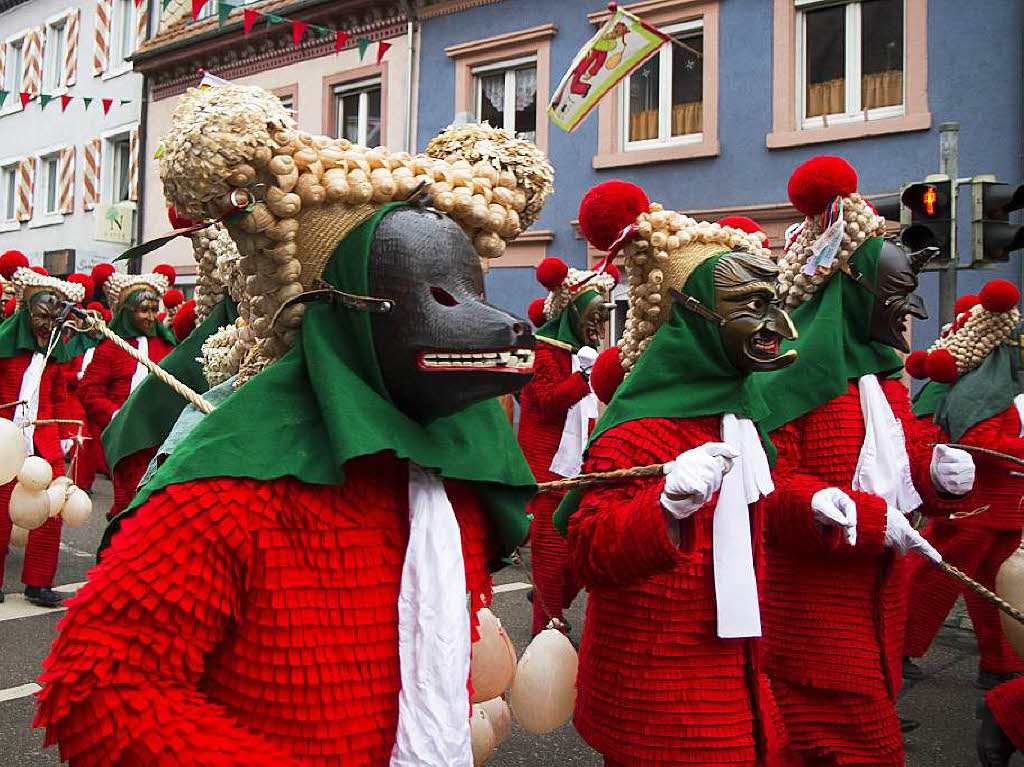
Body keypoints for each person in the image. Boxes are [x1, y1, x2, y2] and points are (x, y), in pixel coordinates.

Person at [36, 83, 553, 766]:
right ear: (344, 320)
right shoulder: (230, 491)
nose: (487, 321)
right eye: (430, 295)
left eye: (470, 293)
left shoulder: (450, 478)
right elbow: (95, 686)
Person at [557, 181, 795, 766]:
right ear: (693, 320)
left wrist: (839, 509)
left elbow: (764, 504)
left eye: (775, 304)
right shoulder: (634, 431)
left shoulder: (739, 419)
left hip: (736, 679)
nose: (779, 327)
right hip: (657, 701)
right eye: (753, 307)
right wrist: (660, 507)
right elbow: (588, 551)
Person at [755, 156, 976, 766]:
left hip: (879, 613)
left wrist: (937, 471)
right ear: (855, 295)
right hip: (815, 624)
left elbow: (904, 454)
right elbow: (768, 492)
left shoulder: (885, 377)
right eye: (896, 296)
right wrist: (836, 510)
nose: (907, 314)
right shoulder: (792, 381)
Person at [902, 282, 1024, 695]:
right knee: (935, 579)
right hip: (976, 510)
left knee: (996, 590)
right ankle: (897, 651)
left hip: (1005, 510)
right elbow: (981, 442)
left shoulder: (1003, 393)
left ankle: (1000, 664)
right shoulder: (985, 393)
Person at [518, 256, 615, 635]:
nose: (597, 327)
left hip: (580, 464)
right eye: (591, 318)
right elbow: (546, 401)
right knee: (550, 549)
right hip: (548, 466)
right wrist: (584, 375)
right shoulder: (544, 352)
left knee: (580, 548)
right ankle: (546, 625)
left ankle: (554, 601)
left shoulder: (579, 354)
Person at [0, 252, 86, 607]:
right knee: (1, 511)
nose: (47, 323)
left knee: (52, 506)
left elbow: (58, 396)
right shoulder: (5, 346)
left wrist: (66, 435)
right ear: (26, 310)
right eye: (41, 314)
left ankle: (39, 582)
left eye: (53, 317)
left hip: (45, 435)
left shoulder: (53, 351)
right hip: (6, 435)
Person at [78, 268, 177, 518]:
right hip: (126, 441)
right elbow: (89, 390)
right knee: (131, 504)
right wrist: (116, 416)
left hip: (161, 439)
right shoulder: (111, 349)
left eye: (155, 309)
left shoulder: (166, 345)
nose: (152, 317)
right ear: (128, 312)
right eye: (145, 310)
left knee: (154, 507)